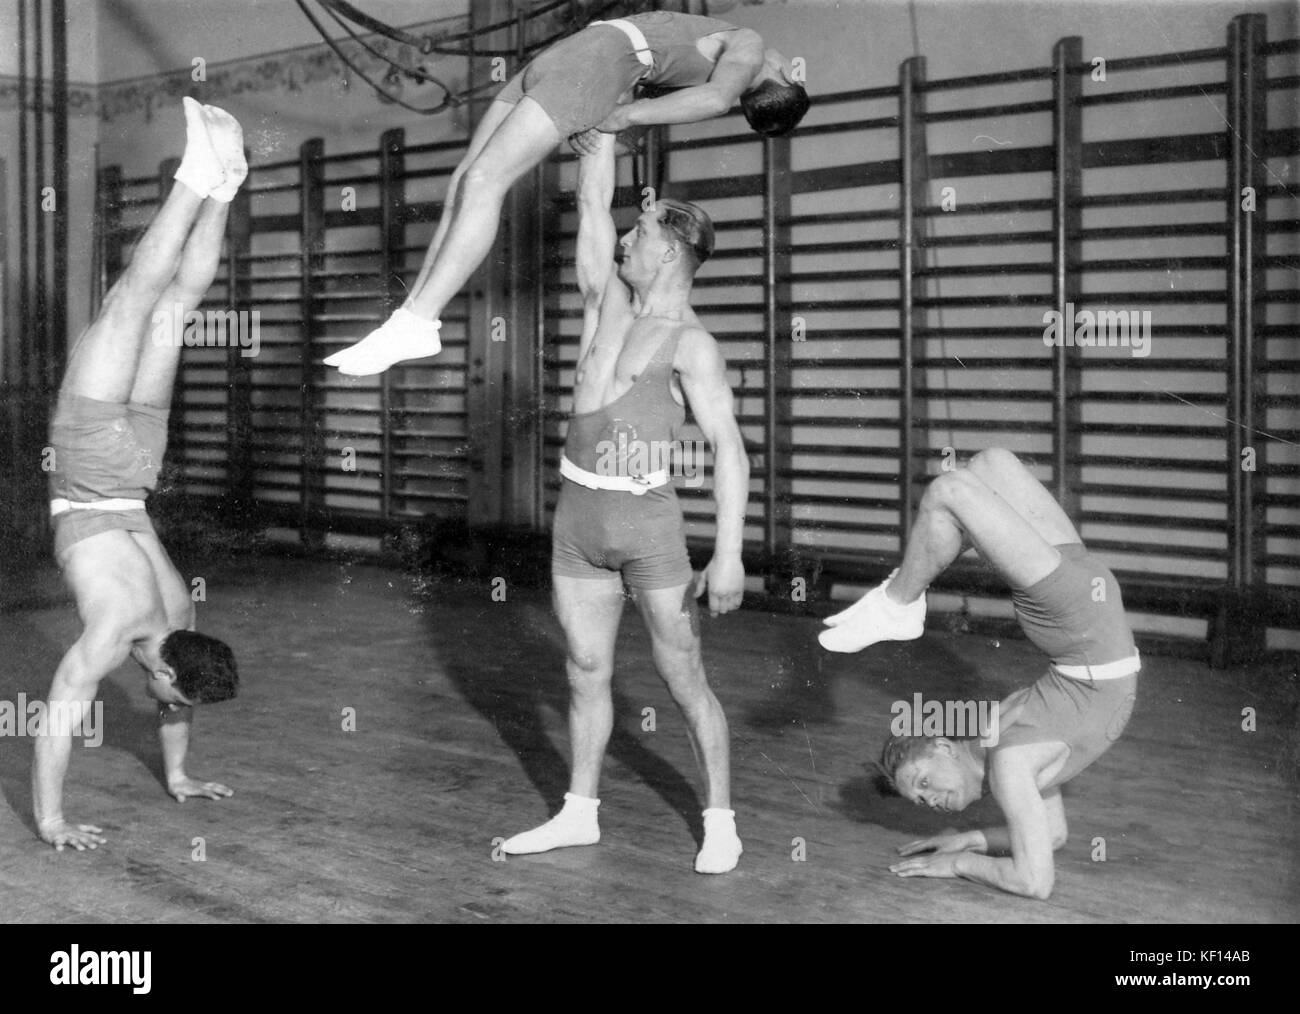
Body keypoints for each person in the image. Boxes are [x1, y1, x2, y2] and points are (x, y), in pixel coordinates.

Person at [501, 131, 749, 874]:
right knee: (583, 667)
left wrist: (729, 554)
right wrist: (599, 143)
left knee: (683, 680)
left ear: (669, 253)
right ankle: (579, 814)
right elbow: (595, 210)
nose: (623, 244)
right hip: (577, 521)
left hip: (649, 529)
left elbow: (729, 451)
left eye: (640, 236)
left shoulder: (693, 346)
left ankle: (720, 820)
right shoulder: (605, 301)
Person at [324, 10, 808, 377]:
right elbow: (647, 90)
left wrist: (620, 115)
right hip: (579, 54)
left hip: (598, 55)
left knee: (483, 180)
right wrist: (611, 108)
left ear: (784, 76)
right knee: (466, 180)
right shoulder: (699, 63)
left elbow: (715, 100)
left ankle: (419, 323)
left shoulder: (750, 45)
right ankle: (409, 317)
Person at [32, 98, 245, 852]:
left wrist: (180, 776)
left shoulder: (183, 620)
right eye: (168, 691)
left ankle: (222, 190)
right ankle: (194, 177)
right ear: (165, 671)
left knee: (174, 307)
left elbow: (176, 703)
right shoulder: (126, 630)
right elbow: (60, 713)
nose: (164, 700)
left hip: (140, 467)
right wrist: (52, 822)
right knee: (130, 304)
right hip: (92, 470)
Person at [821, 448, 1139, 899]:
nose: (932, 801)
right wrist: (972, 837)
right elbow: (1050, 836)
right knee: (951, 493)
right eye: (923, 800)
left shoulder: (1006, 757)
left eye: (924, 781)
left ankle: (898, 603)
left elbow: (1034, 882)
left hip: (1082, 623)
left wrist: (959, 862)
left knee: (983, 467)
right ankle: (905, 591)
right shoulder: (1009, 759)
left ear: (945, 745)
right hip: (1086, 615)